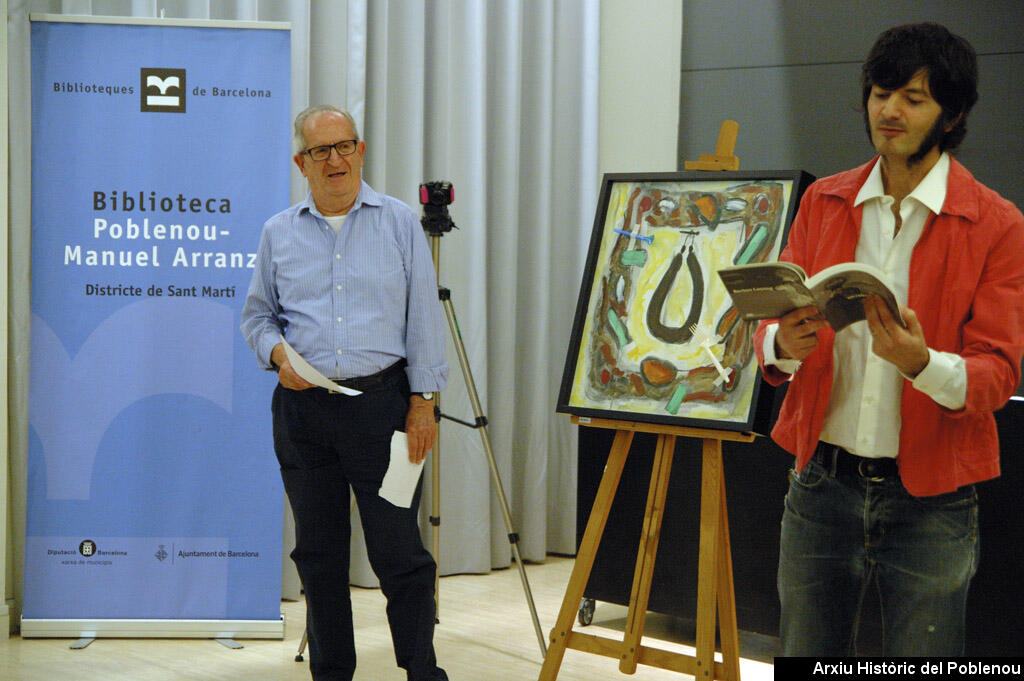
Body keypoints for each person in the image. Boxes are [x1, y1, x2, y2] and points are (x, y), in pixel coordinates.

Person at [755, 23, 1024, 656]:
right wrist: (781, 344)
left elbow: (998, 372)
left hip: (933, 498)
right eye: (880, 93)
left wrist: (921, 363)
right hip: (820, 483)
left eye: (912, 97)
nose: (889, 111)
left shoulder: (996, 224)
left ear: (952, 114)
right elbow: (771, 322)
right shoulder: (824, 200)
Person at [241, 104, 449, 681]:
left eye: (344, 146)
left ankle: (422, 671)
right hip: (303, 415)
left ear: (360, 150)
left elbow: (424, 321)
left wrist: (423, 403)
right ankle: (332, 673)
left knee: (399, 554)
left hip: (384, 410)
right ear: (300, 162)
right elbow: (258, 320)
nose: (335, 160)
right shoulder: (278, 232)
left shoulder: (401, 222)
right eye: (320, 151)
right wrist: (279, 357)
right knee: (319, 556)